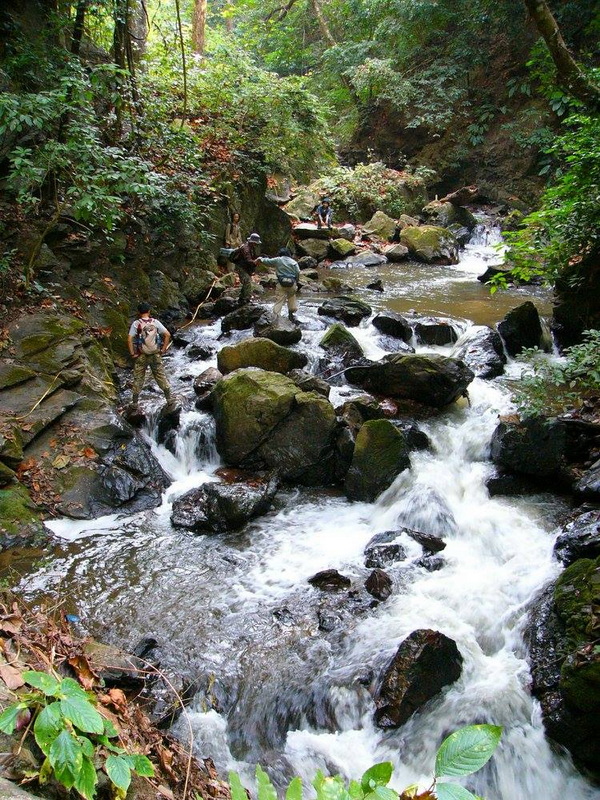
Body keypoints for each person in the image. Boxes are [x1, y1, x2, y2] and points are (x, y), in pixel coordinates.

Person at [127, 302, 172, 408]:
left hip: (142, 355)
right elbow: (167, 335)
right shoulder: (155, 322)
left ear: (139, 312)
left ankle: (134, 403)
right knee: (160, 376)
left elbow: (129, 339)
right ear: (149, 311)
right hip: (155, 354)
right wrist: (163, 349)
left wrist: (132, 353)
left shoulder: (136, 324)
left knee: (138, 378)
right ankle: (169, 399)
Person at [256, 247, 301, 322]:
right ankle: (291, 313)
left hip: (281, 283)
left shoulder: (278, 260)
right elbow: (298, 272)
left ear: (280, 254)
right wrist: (296, 282)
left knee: (279, 300)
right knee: (291, 297)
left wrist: (260, 259)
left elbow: (267, 261)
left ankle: (276, 319)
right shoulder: (294, 262)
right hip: (292, 284)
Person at [230, 232, 261, 305]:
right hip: (241, 267)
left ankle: (242, 298)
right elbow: (248, 260)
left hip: (246, 267)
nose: (256, 245)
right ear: (252, 242)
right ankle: (244, 299)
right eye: (256, 243)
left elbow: (251, 258)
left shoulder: (251, 248)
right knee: (247, 282)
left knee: (247, 282)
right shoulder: (245, 248)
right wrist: (255, 262)